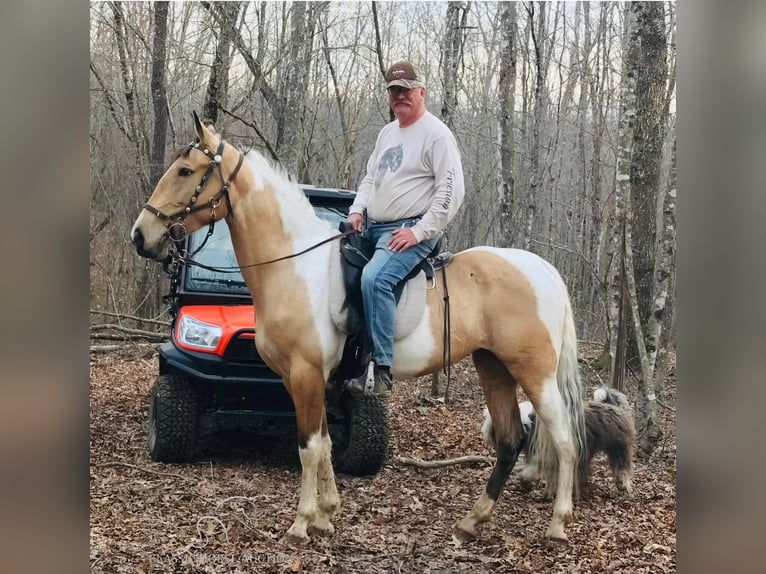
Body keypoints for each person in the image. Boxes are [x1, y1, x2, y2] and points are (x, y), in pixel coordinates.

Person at [346, 60, 465, 398]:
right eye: (393, 91)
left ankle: (381, 369)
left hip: (409, 231)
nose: (399, 97)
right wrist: (357, 210)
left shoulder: (436, 135)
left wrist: (419, 231)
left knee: (375, 278)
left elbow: (451, 191)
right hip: (372, 227)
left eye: (406, 90)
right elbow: (371, 178)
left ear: (421, 92)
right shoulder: (388, 132)